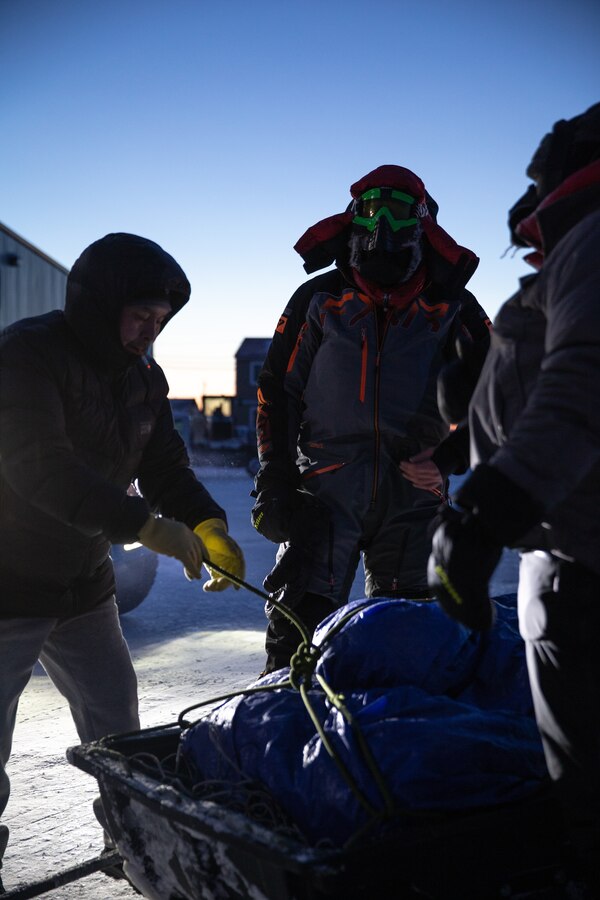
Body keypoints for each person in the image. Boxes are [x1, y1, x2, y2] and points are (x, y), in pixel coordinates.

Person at [0, 232, 246, 884]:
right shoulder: (26, 356)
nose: (149, 332)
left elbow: (165, 467)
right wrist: (144, 526)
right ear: (99, 305)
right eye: (140, 316)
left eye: (160, 321)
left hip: (83, 585)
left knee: (119, 728)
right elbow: (38, 467)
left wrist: (208, 524)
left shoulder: (144, 379)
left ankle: (134, 844)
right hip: (6, 583)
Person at [427, 103, 600, 893]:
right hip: (568, 553)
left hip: (583, 561)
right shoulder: (576, 250)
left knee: (590, 780)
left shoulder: (593, 236)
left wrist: (482, 511)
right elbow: (550, 391)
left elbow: (585, 384)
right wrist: (470, 424)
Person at [251, 165, 490, 673]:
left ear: (421, 222)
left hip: (414, 497)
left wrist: (453, 455)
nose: (382, 222)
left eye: (398, 210)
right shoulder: (319, 299)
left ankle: (394, 720)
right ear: (353, 217)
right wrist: (274, 475)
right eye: (371, 208)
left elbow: (503, 389)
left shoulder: (452, 306)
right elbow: (277, 391)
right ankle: (284, 714)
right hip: (324, 492)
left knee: (411, 647)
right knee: (298, 644)